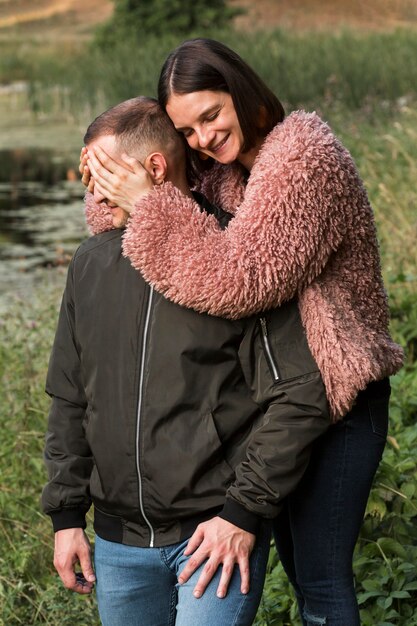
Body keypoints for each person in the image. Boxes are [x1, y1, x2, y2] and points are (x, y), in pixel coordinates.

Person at [82, 39, 404, 626]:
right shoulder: (227, 173)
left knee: (319, 582)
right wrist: (110, 184)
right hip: (277, 401)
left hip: (336, 399)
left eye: (211, 114)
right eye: (187, 130)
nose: (202, 138)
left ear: (241, 89)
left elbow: (243, 278)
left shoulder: (303, 157)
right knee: (292, 569)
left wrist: (144, 200)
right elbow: (162, 219)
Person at [42, 96, 331, 626]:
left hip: (212, 536)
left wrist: (241, 513)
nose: (90, 183)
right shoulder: (90, 264)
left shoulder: (234, 254)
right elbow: (69, 397)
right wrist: (66, 516)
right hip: (117, 543)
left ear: (153, 168)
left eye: (102, 168)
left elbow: (300, 392)